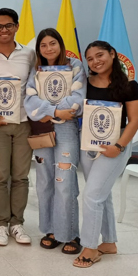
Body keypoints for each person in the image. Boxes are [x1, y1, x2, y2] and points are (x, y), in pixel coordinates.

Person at [73, 41, 138, 268]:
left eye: (100, 55)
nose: (95, 61)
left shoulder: (130, 86)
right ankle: (110, 242)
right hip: (88, 142)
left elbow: (134, 121)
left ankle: (90, 247)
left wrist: (119, 147)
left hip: (115, 146)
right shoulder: (84, 83)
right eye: (90, 59)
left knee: (92, 195)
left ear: (112, 54)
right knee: (102, 194)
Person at [0, 8, 36, 246]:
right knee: (0, 176)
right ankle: (0, 224)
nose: (4, 30)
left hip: (23, 123)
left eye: (9, 25)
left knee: (21, 176)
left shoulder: (30, 55)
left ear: (17, 27)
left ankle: (17, 224)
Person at [24, 29, 86, 255]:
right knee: (44, 182)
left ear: (60, 44)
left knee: (65, 182)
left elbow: (77, 100)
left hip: (67, 132)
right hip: (42, 129)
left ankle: (69, 233)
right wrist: (55, 112)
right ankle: (50, 230)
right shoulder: (36, 71)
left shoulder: (75, 66)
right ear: (38, 49)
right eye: (43, 45)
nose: (48, 48)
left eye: (53, 43)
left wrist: (53, 112)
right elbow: (30, 102)